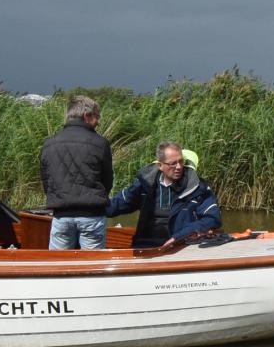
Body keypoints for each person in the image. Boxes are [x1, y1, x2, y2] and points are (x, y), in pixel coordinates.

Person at [107, 141, 221, 249]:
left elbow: (212, 218)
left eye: (181, 161)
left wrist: (181, 235)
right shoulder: (144, 185)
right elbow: (115, 205)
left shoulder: (197, 187)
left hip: (182, 246)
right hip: (145, 246)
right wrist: (93, 204)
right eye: (173, 163)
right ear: (160, 165)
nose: (179, 167)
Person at [39, 95, 113, 250]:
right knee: (92, 267)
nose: (98, 121)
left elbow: (46, 180)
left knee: (59, 265)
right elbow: (107, 180)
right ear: (87, 116)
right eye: (97, 116)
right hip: (91, 215)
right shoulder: (100, 143)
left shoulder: (49, 143)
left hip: (61, 215)